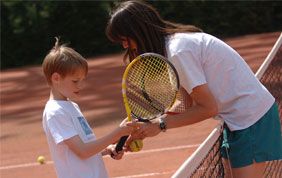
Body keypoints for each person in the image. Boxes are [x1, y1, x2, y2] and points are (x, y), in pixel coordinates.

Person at [106, 1, 282, 177]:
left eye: (125, 39)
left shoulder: (178, 52)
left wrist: (160, 125)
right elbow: (185, 102)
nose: (125, 46)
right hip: (238, 120)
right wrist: (148, 125)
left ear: (139, 32)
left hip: (251, 119)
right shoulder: (173, 47)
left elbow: (208, 108)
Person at [42, 38, 135, 178]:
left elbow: (85, 147)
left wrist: (106, 150)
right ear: (56, 78)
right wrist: (117, 133)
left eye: (82, 80)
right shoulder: (55, 112)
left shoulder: (71, 106)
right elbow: (83, 151)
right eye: (75, 81)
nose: (81, 86)